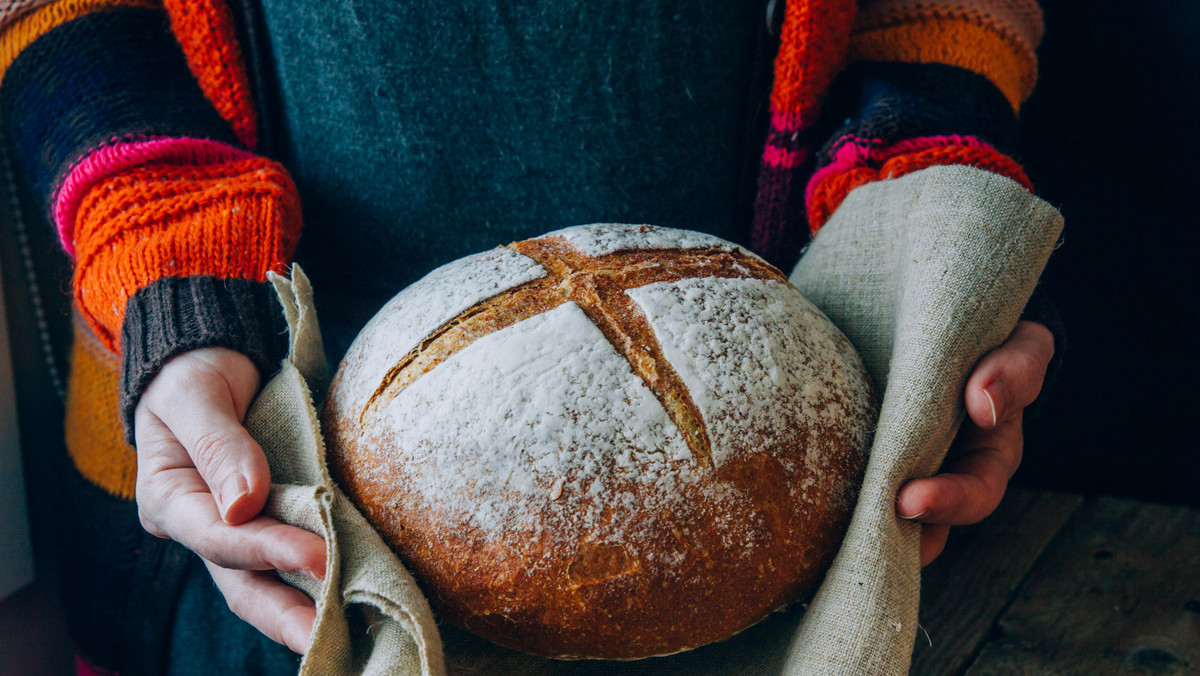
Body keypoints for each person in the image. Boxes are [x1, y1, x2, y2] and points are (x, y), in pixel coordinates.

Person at [0, 0, 1058, 673]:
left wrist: (929, 260)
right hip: (263, 541)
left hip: (798, 522)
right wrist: (171, 274)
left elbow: (935, 13)